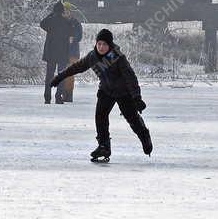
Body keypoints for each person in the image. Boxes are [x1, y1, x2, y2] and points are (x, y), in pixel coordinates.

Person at [49, 29, 152, 162]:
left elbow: (130, 78)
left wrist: (137, 98)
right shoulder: (92, 57)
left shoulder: (117, 57)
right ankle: (104, 146)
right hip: (106, 91)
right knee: (100, 116)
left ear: (109, 46)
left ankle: (144, 135)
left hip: (123, 92)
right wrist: (60, 77)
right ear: (96, 44)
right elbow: (77, 67)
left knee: (132, 118)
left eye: (104, 45)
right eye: (99, 44)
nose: (101, 47)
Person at [40, 1, 80, 104]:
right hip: (62, 53)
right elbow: (72, 33)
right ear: (62, 11)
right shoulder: (67, 22)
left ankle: (47, 97)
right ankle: (58, 97)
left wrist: (52, 14)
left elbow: (42, 23)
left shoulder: (50, 21)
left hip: (51, 53)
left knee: (49, 75)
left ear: (54, 11)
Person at [60, 3, 83, 103]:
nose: (66, 13)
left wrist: (73, 38)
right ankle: (63, 93)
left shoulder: (76, 23)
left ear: (70, 12)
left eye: (67, 11)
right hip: (62, 52)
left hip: (73, 52)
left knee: (70, 75)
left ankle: (69, 95)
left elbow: (79, 36)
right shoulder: (60, 22)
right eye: (64, 11)